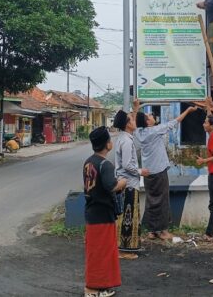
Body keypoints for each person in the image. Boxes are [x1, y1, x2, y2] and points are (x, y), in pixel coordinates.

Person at [134, 100, 198, 240]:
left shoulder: (139, 132)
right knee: (162, 200)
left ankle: (152, 230)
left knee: (151, 200)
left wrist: (135, 108)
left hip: (147, 172)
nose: (151, 115)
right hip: (159, 171)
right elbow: (175, 122)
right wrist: (187, 111)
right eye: (148, 116)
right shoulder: (155, 131)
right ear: (147, 123)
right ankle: (163, 231)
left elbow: (134, 121)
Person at [83, 126, 127, 297]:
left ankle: (100, 287)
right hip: (102, 215)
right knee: (102, 252)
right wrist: (123, 182)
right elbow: (112, 186)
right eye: (110, 140)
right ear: (107, 144)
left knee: (96, 251)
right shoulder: (105, 164)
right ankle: (92, 289)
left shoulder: (89, 161)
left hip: (92, 212)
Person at [112, 109, 148, 259]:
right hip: (128, 184)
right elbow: (127, 164)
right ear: (127, 125)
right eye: (131, 120)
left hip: (125, 182)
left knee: (127, 217)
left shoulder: (123, 138)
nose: (134, 121)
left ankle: (126, 247)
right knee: (128, 217)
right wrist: (140, 171)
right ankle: (124, 250)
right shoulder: (126, 141)